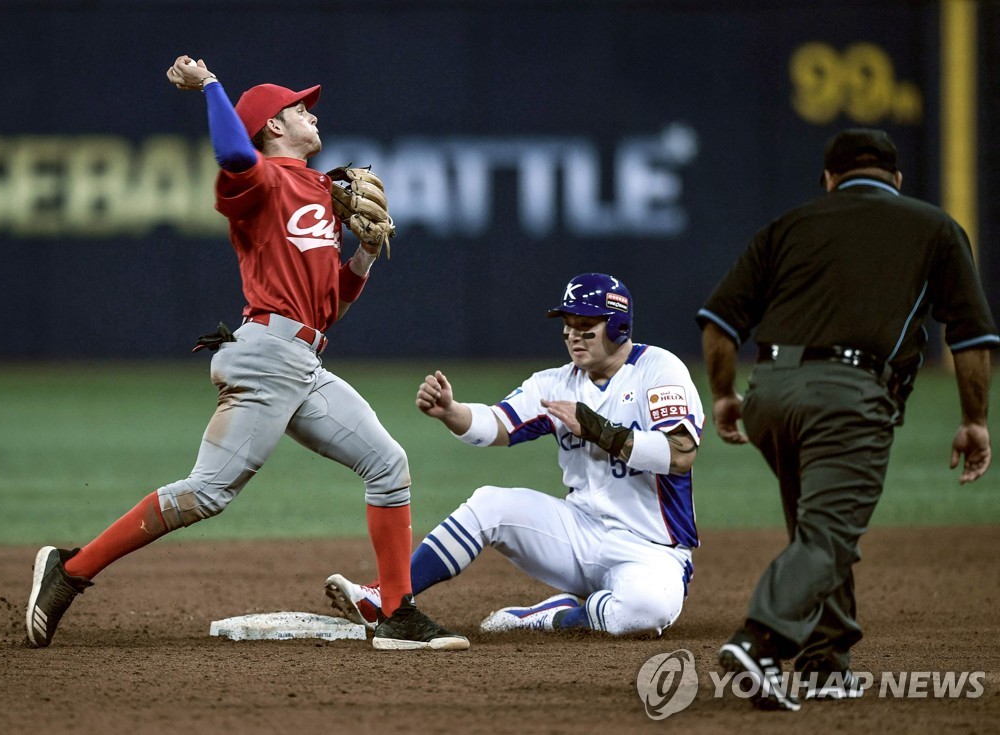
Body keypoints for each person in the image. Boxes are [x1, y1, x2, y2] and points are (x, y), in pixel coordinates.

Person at [24, 54, 468, 652]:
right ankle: (70, 570)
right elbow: (233, 154)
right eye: (297, 108)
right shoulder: (259, 179)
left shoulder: (319, 190)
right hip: (264, 355)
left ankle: (397, 614)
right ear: (271, 128)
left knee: (389, 466)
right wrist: (211, 87)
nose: (311, 113)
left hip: (305, 360)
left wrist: (362, 252)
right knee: (207, 492)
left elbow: (327, 306)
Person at [696, 128, 998, 710]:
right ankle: (759, 642)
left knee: (816, 530)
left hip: (771, 394)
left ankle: (824, 663)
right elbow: (971, 336)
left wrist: (728, 395)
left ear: (829, 179)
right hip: (850, 397)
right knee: (828, 535)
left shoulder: (787, 226)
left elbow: (719, 322)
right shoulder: (935, 227)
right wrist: (975, 420)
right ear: (898, 180)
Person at [324, 273, 705, 637]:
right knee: (491, 503)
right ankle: (385, 597)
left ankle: (555, 617)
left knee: (643, 614)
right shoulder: (556, 382)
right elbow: (497, 424)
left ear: (619, 326)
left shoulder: (657, 369)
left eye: (585, 324)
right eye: (567, 324)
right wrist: (451, 412)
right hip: (579, 531)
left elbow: (680, 453)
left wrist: (597, 429)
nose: (573, 335)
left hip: (652, 548)